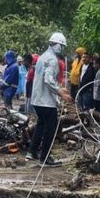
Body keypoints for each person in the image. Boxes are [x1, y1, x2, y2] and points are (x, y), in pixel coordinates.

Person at [26, 32, 72, 167]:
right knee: (50, 128)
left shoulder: (42, 57)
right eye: (61, 46)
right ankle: (45, 159)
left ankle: (32, 151)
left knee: (41, 124)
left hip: (37, 99)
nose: (62, 49)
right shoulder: (52, 60)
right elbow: (48, 80)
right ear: (56, 44)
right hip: (46, 101)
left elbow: (45, 79)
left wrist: (59, 89)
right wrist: (60, 93)